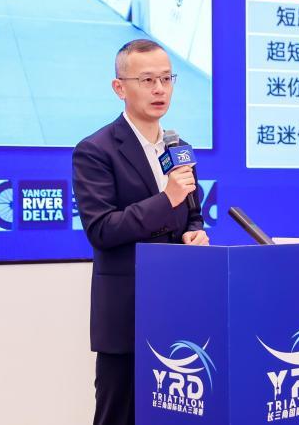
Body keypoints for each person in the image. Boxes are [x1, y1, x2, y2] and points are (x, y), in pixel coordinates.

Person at [72, 39, 209, 425]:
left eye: (166, 78)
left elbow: (192, 213)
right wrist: (166, 200)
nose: (159, 89)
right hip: (127, 316)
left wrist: (194, 232)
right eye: (147, 80)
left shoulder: (179, 147)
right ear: (120, 87)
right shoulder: (95, 150)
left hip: (178, 308)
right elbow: (102, 229)